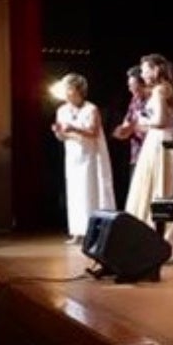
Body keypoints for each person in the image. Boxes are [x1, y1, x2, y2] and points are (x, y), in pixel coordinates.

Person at [124, 54, 173, 234]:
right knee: (167, 185)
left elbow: (160, 121)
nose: (142, 74)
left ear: (155, 69)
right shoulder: (170, 88)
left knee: (158, 185)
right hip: (169, 138)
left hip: (159, 141)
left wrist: (142, 121)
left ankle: (153, 233)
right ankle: (167, 234)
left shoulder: (160, 90)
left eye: (145, 70)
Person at [52, 73, 116, 244]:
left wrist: (73, 128)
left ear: (77, 90)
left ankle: (92, 230)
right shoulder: (62, 110)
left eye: (68, 88)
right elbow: (62, 136)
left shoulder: (91, 109)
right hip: (73, 155)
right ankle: (77, 231)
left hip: (90, 155)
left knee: (90, 190)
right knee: (75, 192)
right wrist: (59, 132)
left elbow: (93, 132)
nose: (66, 92)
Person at [111, 65, 149, 206]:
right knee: (137, 194)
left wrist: (134, 127)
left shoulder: (155, 101)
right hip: (136, 154)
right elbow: (127, 123)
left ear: (143, 84)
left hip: (151, 152)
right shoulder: (134, 101)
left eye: (132, 85)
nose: (130, 89)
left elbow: (156, 127)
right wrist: (122, 131)